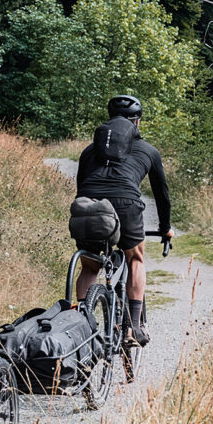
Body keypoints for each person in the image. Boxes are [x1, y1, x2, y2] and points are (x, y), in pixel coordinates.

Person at [74, 94, 172, 346]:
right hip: (126, 204)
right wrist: (165, 228)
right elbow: (162, 195)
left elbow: (81, 187)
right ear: (136, 123)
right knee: (136, 258)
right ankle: (134, 328)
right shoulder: (149, 150)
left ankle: (82, 327)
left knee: (89, 266)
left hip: (88, 205)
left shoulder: (90, 151)